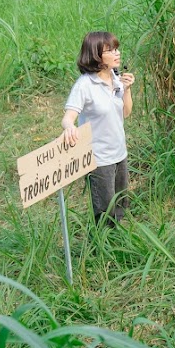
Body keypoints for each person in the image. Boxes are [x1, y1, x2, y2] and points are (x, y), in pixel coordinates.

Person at [61, 31, 135, 226]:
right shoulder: (84, 85)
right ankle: (103, 248)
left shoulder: (116, 79)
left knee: (120, 204)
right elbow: (68, 117)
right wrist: (69, 128)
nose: (117, 53)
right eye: (110, 50)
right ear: (96, 55)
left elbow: (125, 113)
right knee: (105, 210)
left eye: (117, 49)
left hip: (119, 152)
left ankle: (119, 243)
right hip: (98, 158)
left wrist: (127, 90)